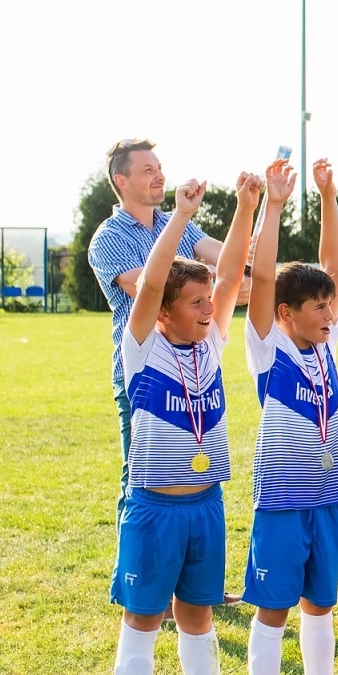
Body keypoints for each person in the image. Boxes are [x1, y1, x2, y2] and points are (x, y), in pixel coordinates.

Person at [110, 172, 256, 675]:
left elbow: (228, 277)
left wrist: (247, 205)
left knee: (198, 615)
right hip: (154, 508)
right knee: (144, 619)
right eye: (194, 303)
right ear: (164, 311)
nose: (209, 308)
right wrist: (181, 215)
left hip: (206, 506)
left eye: (207, 303)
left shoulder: (211, 342)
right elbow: (150, 278)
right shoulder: (141, 343)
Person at [241, 159, 338, 675]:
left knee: (321, 601)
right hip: (283, 498)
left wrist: (328, 196)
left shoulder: (328, 342)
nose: (329, 313)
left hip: (330, 493)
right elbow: (263, 278)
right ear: (288, 314)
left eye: (330, 305)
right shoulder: (268, 348)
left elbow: (334, 266)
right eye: (316, 306)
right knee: (273, 608)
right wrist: (274, 203)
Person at [89, 139, 226, 496]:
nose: (160, 176)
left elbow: (226, 262)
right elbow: (151, 289)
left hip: (195, 370)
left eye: (160, 168)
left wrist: (228, 273)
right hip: (144, 373)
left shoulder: (177, 224)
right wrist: (213, 278)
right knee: (141, 481)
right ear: (121, 181)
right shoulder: (108, 237)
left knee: (191, 479)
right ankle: (133, 553)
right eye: (147, 170)